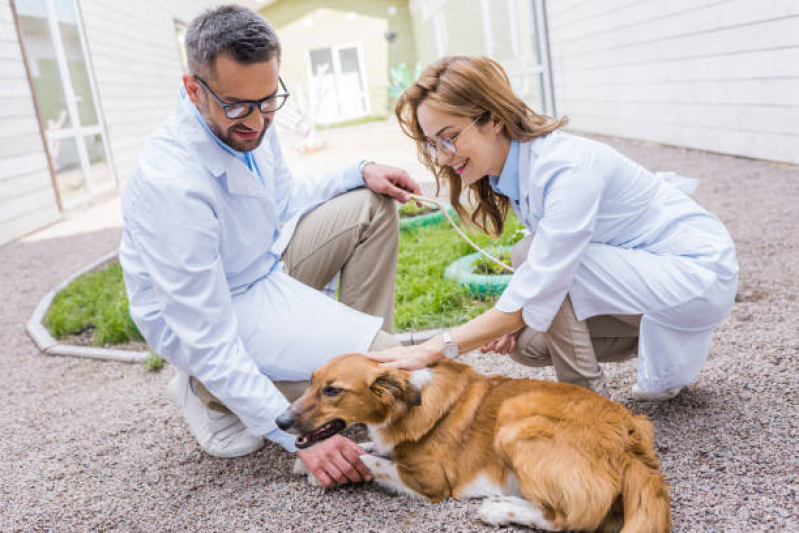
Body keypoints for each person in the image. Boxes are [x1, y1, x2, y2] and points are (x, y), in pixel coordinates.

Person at [118, 5, 419, 488]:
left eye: (268, 101)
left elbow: (282, 200)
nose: (257, 123)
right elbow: (206, 338)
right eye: (238, 106)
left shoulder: (252, 115)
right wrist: (302, 439)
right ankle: (207, 391)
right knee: (398, 371)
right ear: (194, 90)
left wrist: (357, 172)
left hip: (263, 271)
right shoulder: (170, 185)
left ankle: (352, 381)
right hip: (217, 311)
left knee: (371, 206)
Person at [369, 56, 738, 402]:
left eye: (449, 137)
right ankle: (666, 345)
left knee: (532, 260)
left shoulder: (565, 168)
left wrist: (435, 346)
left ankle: (591, 409)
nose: (444, 156)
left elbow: (547, 279)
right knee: (531, 344)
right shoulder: (516, 171)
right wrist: (506, 320)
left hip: (697, 275)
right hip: (658, 278)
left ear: (493, 119)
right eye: (433, 145)